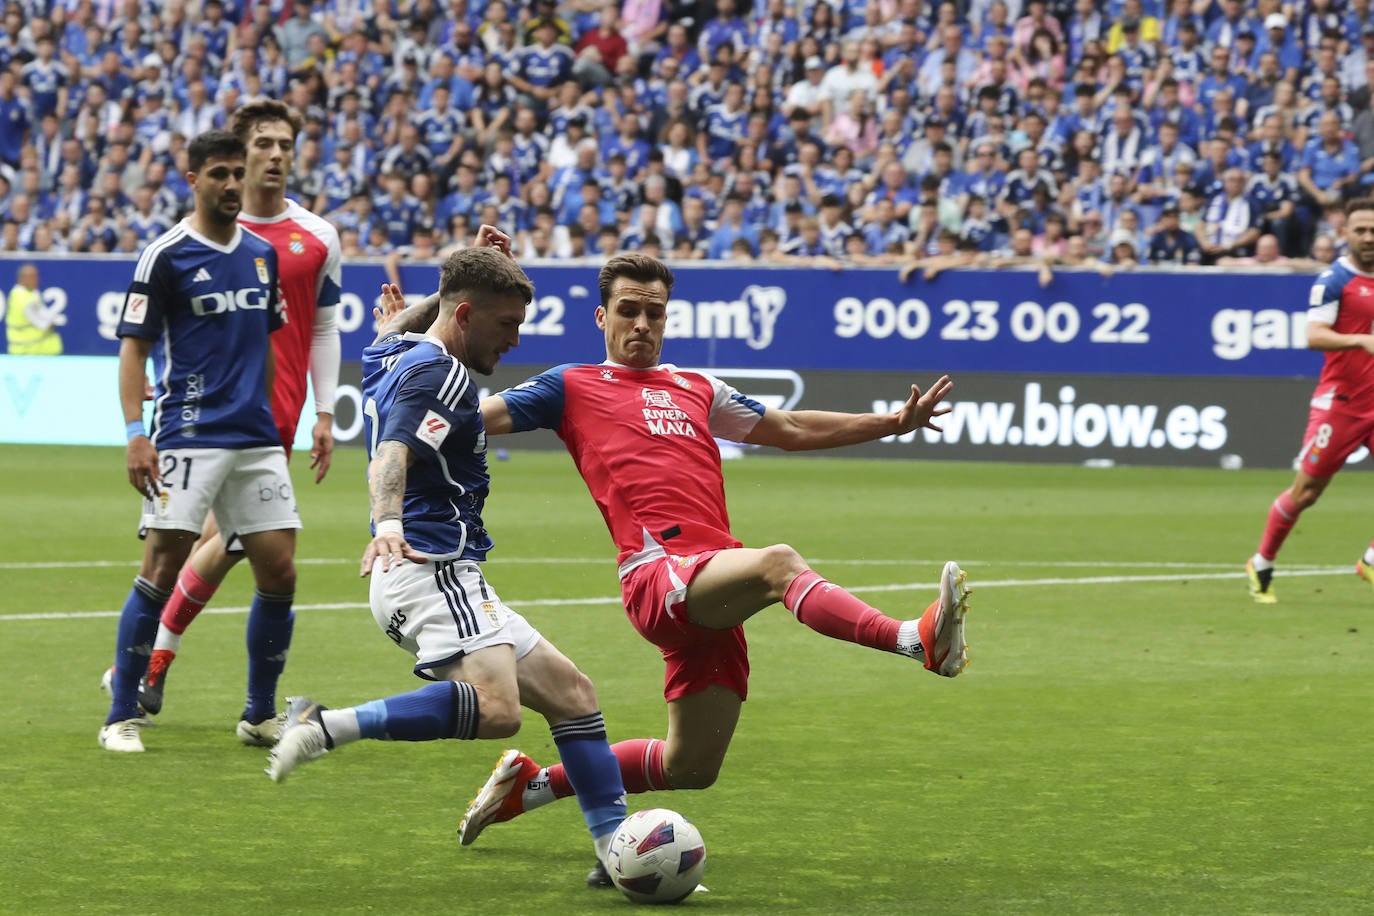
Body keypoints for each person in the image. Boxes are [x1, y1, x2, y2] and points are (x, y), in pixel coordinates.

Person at [381, 253, 971, 887]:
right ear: (602, 316)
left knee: (692, 765)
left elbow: (792, 426)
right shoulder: (569, 385)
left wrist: (892, 422)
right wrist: (402, 343)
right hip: (659, 576)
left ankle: (531, 787)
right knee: (778, 565)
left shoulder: (697, 387)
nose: (641, 324)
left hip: (714, 583)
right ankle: (916, 640)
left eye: (654, 312)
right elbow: (461, 417)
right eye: (628, 311)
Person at [265, 244, 629, 879]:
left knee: (572, 696)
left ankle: (614, 851)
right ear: (465, 316)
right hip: (430, 564)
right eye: (506, 324)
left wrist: (447, 286)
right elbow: (394, 455)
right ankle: (322, 725)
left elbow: (397, 328)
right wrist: (386, 523)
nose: (515, 340)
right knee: (499, 711)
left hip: (433, 570)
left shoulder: (397, 349)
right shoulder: (444, 377)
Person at [104, 101, 342, 742]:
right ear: (195, 179)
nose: (234, 183)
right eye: (221, 173)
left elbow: (273, 343)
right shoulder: (166, 255)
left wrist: (288, 416)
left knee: (279, 567)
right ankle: (121, 712)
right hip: (189, 433)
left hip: (257, 437)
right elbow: (132, 347)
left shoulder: (262, 257)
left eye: (238, 173)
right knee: (162, 565)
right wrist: (135, 431)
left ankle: (257, 711)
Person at [1245, 198, 1374, 602]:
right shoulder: (1334, 280)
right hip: (1342, 404)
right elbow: (1313, 334)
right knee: (1307, 493)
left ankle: (1370, 560)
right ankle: (1262, 561)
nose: (1369, 237)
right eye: (1360, 230)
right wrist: (1358, 339)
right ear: (1346, 234)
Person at [6, 263, 65, 354]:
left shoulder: (18, 292)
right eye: (33, 277)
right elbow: (43, 324)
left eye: (37, 276)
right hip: (32, 351)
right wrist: (53, 322)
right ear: (22, 279)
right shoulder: (27, 301)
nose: (37, 280)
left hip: (24, 350)